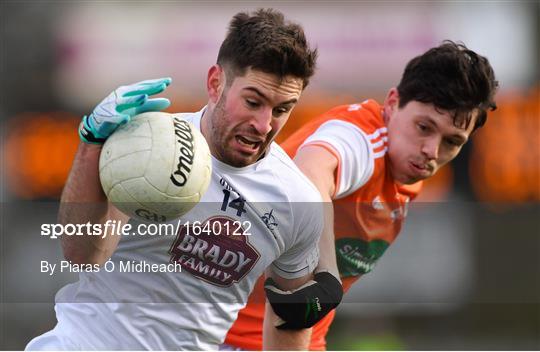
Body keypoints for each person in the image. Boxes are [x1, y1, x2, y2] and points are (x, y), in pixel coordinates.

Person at [26, 9, 324, 350]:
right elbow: (84, 254)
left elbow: (292, 317)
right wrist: (91, 145)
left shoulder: (296, 199)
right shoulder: (149, 147)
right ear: (215, 83)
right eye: (253, 102)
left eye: (282, 109)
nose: (264, 124)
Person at [225, 40, 499, 350]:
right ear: (393, 103)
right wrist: (324, 270)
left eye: (452, 141)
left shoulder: (405, 170)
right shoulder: (363, 139)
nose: (431, 151)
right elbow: (310, 175)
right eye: (424, 127)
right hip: (224, 338)